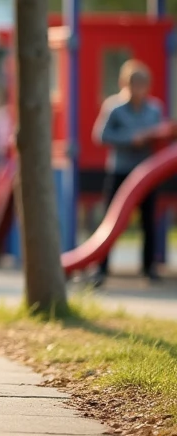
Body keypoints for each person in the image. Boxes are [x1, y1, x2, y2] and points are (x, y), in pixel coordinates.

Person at [92, 60, 166, 285]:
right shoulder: (114, 107)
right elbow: (100, 135)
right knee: (111, 220)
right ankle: (101, 268)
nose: (140, 88)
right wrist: (130, 138)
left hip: (146, 172)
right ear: (126, 83)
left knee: (148, 220)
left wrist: (156, 134)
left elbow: (161, 133)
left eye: (144, 84)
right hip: (120, 171)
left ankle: (148, 268)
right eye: (136, 83)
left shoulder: (154, 109)